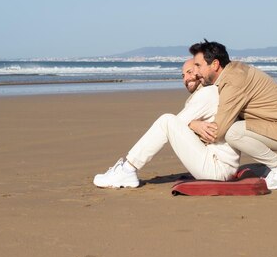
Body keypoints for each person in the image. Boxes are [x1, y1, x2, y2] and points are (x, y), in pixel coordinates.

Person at [93, 59, 240, 188]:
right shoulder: (208, 93)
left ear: (200, 72)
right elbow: (181, 126)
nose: (186, 79)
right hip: (219, 165)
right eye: (183, 75)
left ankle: (127, 170)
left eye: (190, 72)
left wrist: (191, 124)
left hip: (217, 169)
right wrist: (193, 124)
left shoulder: (207, 93)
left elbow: (174, 125)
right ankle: (126, 170)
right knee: (169, 121)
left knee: (166, 120)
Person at [188, 40, 277, 190]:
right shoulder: (231, 72)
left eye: (198, 66)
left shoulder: (233, 82)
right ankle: (276, 166)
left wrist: (191, 127)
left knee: (233, 133)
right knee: (234, 127)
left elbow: (217, 131)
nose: (194, 72)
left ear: (215, 64)